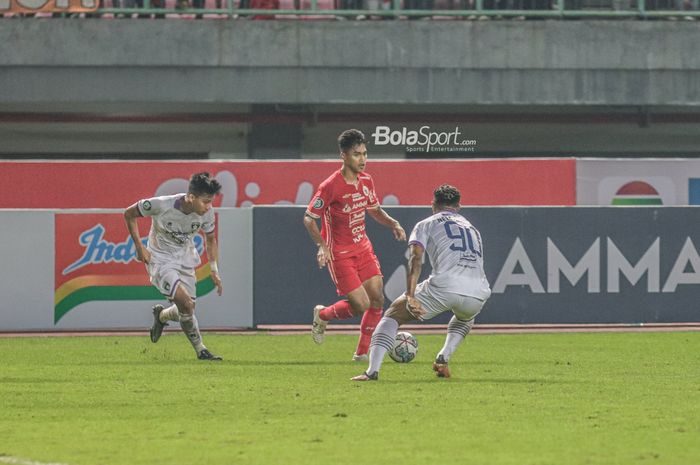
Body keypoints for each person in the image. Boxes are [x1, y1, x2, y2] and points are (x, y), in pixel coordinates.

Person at [352, 184, 491, 381]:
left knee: (392, 315)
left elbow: (416, 259)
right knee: (466, 317)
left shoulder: (426, 224)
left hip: (445, 287)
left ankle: (372, 371)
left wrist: (410, 295)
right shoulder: (473, 229)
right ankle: (443, 357)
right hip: (479, 291)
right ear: (458, 206)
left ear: (433, 204)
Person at [303, 129, 406, 361]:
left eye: (365, 154)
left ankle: (361, 353)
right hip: (339, 253)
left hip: (363, 248)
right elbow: (309, 218)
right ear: (344, 156)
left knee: (378, 298)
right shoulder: (330, 186)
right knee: (360, 304)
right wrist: (322, 246)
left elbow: (374, 210)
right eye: (357, 154)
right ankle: (323, 315)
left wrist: (393, 223)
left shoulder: (367, 181)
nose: (363, 159)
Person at [124, 172, 224, 361]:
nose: (208, 207)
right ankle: (201, 350)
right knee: (186, 304)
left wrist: (214, 270)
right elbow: (129, 214)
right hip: (161, 260)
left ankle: (161, 316)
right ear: (191, 197)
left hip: (185, 259)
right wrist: (139, 247)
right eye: (205, 201)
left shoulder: (207, 213)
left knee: (187, 310)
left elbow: (211, 240)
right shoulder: (162, 204)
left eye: (211, 202)